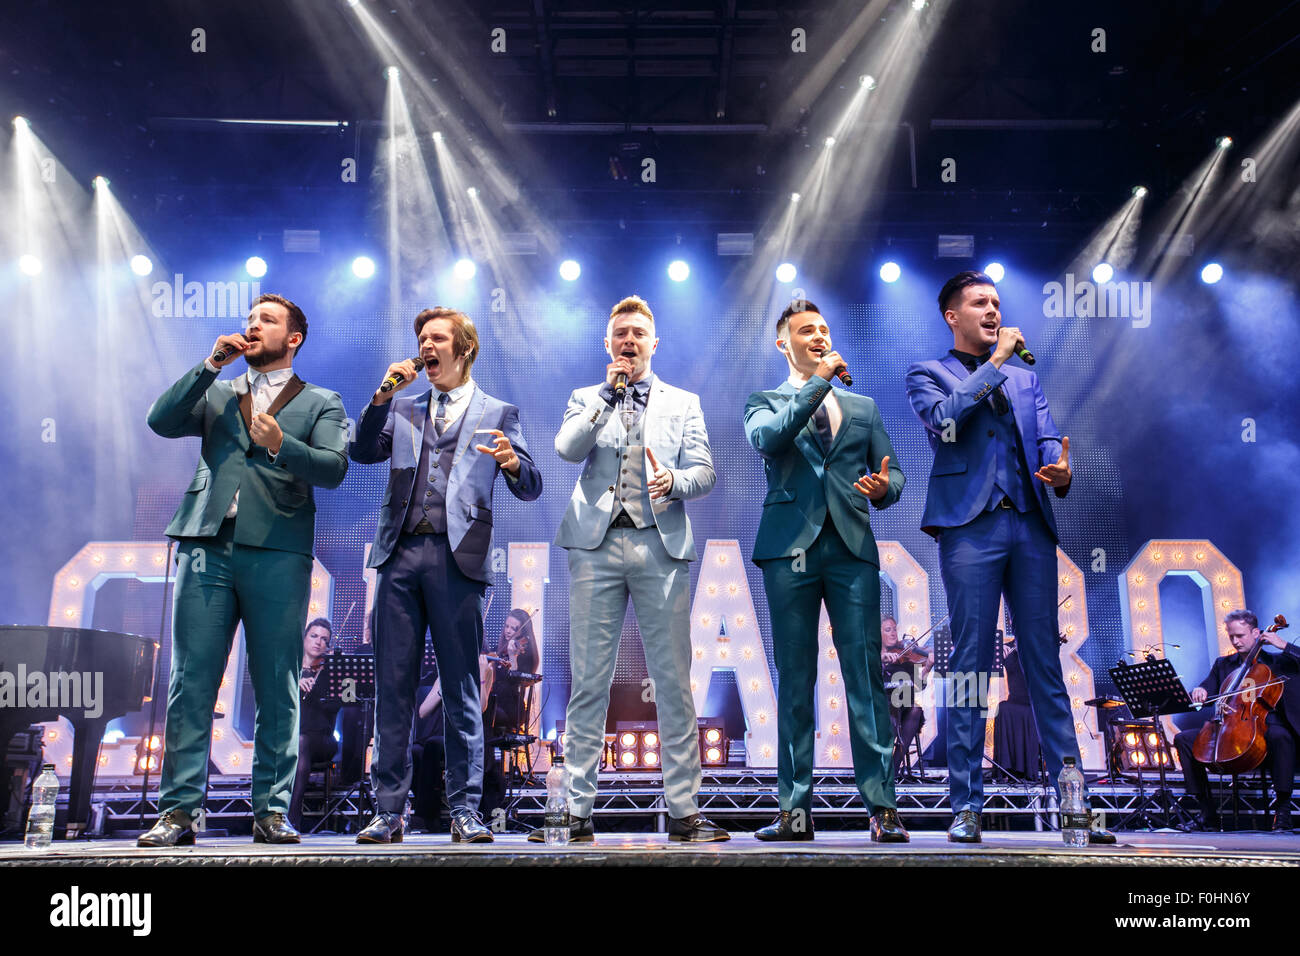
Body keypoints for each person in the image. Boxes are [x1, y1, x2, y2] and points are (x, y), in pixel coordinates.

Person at [905, 271, 1113, 844]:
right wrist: (995, 364)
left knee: (1044, 663)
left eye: (997, 301)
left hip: (1028, 525)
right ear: (953, 315)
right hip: (969, 528)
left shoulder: (1026, 377)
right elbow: (943, 423)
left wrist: (1061, 469)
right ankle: (966, 805)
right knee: (971, 665)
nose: (993, 309)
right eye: (980, 302)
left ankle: (1074, 804)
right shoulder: (929, 373)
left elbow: (1046, 436)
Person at [139, 293, 348, 847]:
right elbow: (160, 420)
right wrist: (209, 365)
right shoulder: (218, 392)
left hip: (278, 549)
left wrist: (282, 443)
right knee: (191, 680)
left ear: (293, 338)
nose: (254, 326)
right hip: (208, 543)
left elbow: (333, 469)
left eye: (268, 320)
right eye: (250, 319)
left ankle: (271, 812)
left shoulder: (321, 401)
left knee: (278, 682)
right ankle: (178, 813)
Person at [349, 306, 543, 844]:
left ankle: (465, 809)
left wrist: (509, 461)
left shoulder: (498, 412)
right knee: (393, 688)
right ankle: (388, 811)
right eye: (421, 339)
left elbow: (531, 484)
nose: (425, 346)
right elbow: (362, 452)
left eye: (436, 338)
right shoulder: (405, 407)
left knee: (460, 689)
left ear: (465, 349)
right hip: (399, 556)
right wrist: (380, 399)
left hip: (460, 561)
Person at [537, 294, 727, 844]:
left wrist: (677, 482)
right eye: (620, 333)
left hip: (659, 545)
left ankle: (686, 813)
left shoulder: (682, 402)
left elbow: (706, 470)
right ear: (607, 343)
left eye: (638, 334)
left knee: (672, 684)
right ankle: (576, 812)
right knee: (589, 682)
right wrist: (604, 397)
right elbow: (568, 450)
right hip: (595, 547)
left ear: (654, 342)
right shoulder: (584, 397)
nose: (629, 341)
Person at [744, 299, 909, 843]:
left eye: (823, 330)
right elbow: (771, 439)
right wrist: (817, 382)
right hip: (789, 548)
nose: (817, 336)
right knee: (796, 680)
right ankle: (794, 810)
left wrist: (886, 488)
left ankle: (882, 807)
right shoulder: (764, 401)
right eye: (805, 331)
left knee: (865, 677)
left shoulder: (861, 407)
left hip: (851, 547)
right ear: (782, 343)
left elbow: (894, 471)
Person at [1172, 609, 1300, 832]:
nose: (1235, 641)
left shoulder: (1277, 662)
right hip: (1228, 726)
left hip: (1266, 725)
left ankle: (1283, 812)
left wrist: (1284, 646)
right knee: (1183, 739)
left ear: (1256, 633)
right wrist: (1200, 690)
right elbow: (1207, 687)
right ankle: (1207, 813)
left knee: (1282, 737)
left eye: (1240, 635)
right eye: (1231, 636)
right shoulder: (1223, 664)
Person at [288, 618, 341, 830]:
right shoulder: (290, 668)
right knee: (293, 741)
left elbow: (335, 706)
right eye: (314, 636)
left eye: (324, 639)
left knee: (302, 743)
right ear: (304, 638)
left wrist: (320, 687)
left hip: (322, 739)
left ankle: (293, 820)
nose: (319, 642)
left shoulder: (331, 672)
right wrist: (294, 684)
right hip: (291, 736)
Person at [881, 615, 932, 779]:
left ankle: (894, 767)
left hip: (905, 706)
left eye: (894, 629)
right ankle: (881, 765)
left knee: (916, 709)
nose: (893, 633)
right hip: (882, 706)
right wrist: (880, 660)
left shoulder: (906, 655)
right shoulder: (871, 655)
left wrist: (928, 668)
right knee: (890, 713)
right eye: (888, 630)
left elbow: (919, 686)